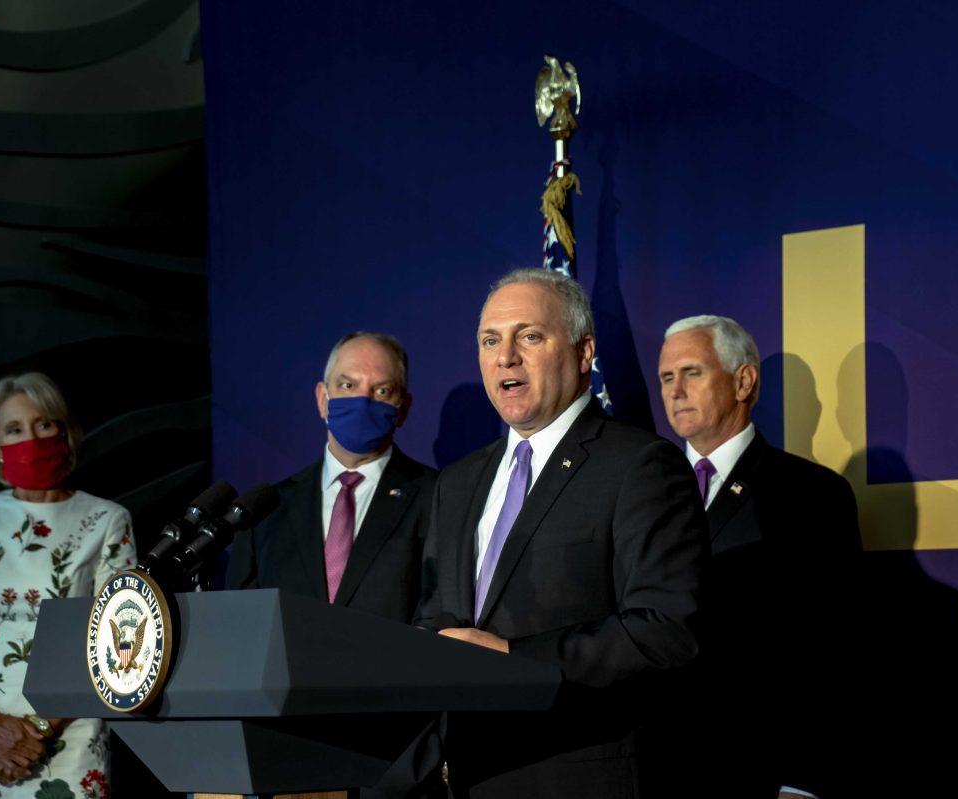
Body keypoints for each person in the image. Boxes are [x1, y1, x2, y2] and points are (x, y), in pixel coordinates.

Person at [414, 269, 708, 798]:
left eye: (529, 336)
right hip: (466, 779)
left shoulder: (639, 465)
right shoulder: (457, 484)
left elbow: (666, 633)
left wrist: (513, 660)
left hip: (578, 776)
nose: (505, 356)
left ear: (584, 351)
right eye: (489, 340)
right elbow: (437, 616)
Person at [656, 315, 861, 798]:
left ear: (743, 380)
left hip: (758, 768)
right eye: (666, 377)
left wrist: (803, 779)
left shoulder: (811, 493)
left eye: (692, 372)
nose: (675, 390)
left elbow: (832, 646)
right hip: (660, 766)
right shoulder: (644, 492)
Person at [0, 373, 136, 798]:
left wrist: (36, 733)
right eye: (14, 429)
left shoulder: (108, 519)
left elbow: (117, 645)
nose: (32, 438)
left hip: (67, 737)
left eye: (44, 424)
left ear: (66, 433)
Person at [227, 332, 436, 623]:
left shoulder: (438, 498)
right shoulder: (266, 511)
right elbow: (241, 623)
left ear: (403, 408)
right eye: (348, 385)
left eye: (382, 391)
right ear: (323, 399)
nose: (363, 401)